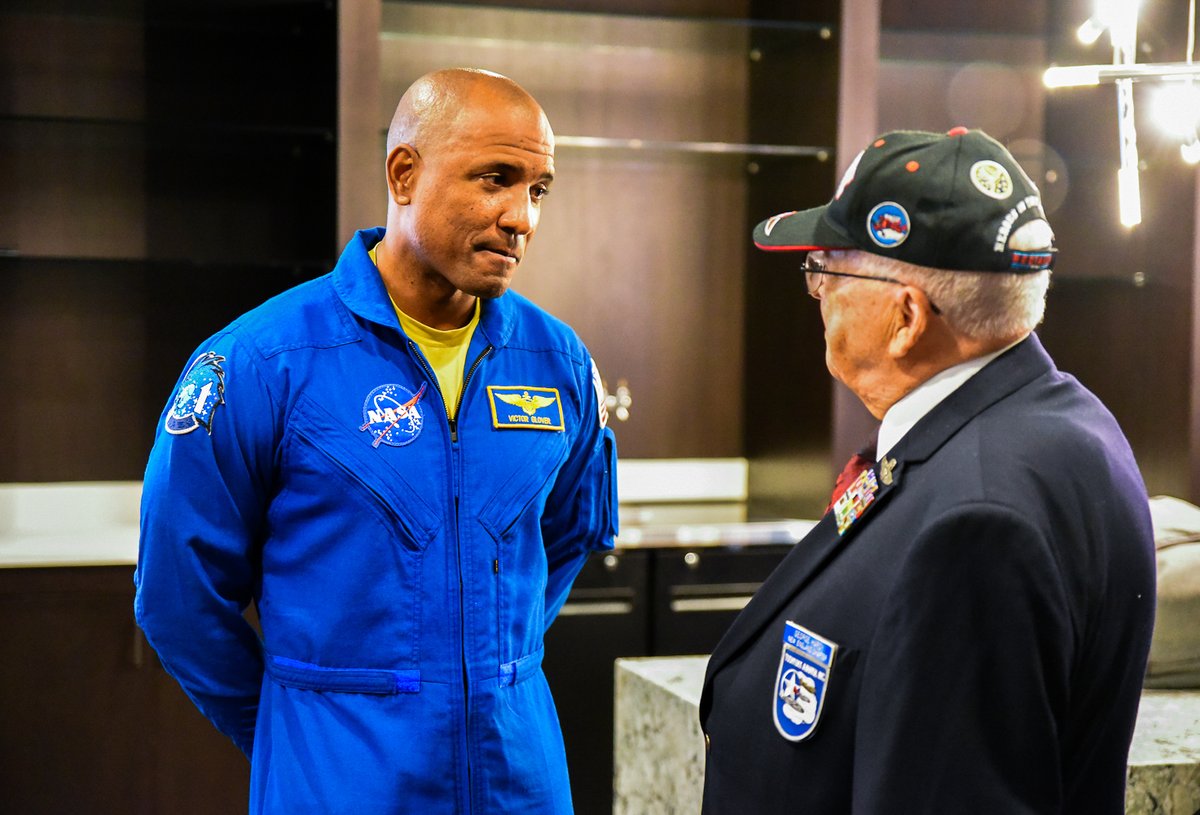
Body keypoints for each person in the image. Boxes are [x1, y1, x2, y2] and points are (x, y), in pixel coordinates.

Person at [135, 67, 618, 814]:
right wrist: (293, 728)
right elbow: (176, 597)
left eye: (538, 189)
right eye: (496, 179)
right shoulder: (263, 362)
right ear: (403, 174)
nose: (522, 217)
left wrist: (485, 658)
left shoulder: (557, 364)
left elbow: (572, 533)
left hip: (519, 783)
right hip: (338, 787)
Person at [699, 127, 1156, 813]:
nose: (817, 290)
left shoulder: (979, 521)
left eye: (828, 269)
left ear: (907, 315)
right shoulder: (1055, 421)